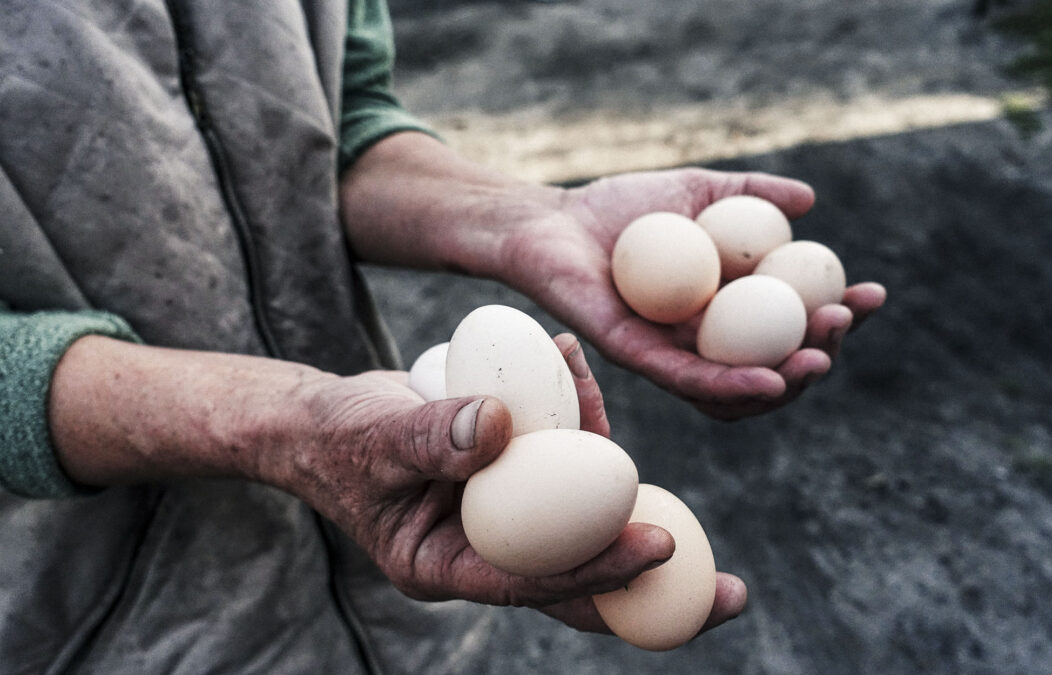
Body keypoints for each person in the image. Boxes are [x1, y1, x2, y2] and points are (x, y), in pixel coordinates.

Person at [0, 0, 885, 672]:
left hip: (385, 595)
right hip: (92, 618)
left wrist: (529, 220)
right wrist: (279, 423)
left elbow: (341, 123)